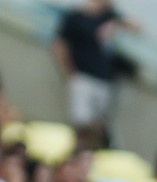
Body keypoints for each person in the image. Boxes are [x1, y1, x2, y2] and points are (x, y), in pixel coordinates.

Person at [52, 0, 140, 150]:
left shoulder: (109, 16)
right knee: (81, 122)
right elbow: (60, 45)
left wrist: (116, 23)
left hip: (104, 80)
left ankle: (91, 153)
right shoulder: (75, 17)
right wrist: (69, 73)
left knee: (99, 125)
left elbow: (137, 28)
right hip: (83, 77)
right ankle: (76, 153)